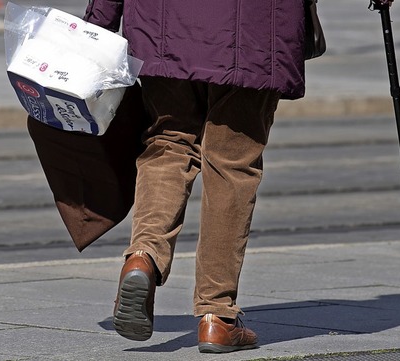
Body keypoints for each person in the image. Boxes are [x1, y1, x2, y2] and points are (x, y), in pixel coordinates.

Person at [82, 0, 306, 353]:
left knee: (168, 143)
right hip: (255, 29)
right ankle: (217, 317)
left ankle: (144, 255)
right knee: (232, 163)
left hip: (161, 23)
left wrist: (98, 21)